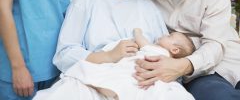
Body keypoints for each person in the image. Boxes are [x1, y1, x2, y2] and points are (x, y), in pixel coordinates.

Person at [32, 0, 170, 99]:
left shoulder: (148, 9)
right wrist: (108, 56)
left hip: (137, 81)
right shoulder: (86, 1)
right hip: (94, 79)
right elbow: (65, 54)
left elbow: (165, 53)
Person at [34, 28, 196, 100]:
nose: (165, 34)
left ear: (174, 50)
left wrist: (138, 32)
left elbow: (142, 42)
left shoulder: (158, 52)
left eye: (170, 36)